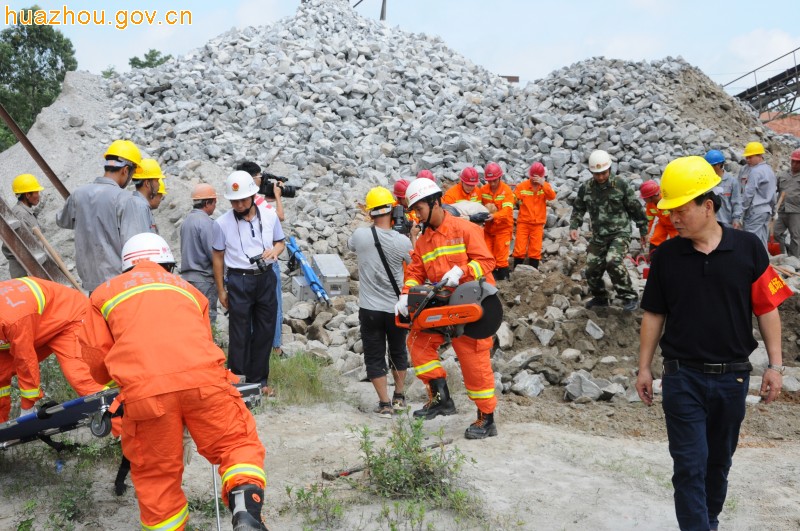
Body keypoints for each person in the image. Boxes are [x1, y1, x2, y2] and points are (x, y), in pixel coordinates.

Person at [636, 156, 791, 531]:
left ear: (708, 206)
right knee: (689, 464)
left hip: (732, 378)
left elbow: (767, 308)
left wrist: (775, 365)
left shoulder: (748, 248)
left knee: (718, 463)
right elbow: (654, 314)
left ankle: (709, 521)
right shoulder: (666, 257)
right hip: (681, 377)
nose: (673, 218)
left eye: (681, 210)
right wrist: (644, 366)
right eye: (669, 211)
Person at [80, 233, 268, 531]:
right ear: (168, 264)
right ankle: (245, 510)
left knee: (157, 477)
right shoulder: (190, 290)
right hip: (205, 383)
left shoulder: (103, 294)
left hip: (146, 395)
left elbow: (97, 363)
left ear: (127, 268)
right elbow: (202, 341)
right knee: (236, 444)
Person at [395, 178, 498, 439]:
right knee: (417, 341)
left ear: (435, 203)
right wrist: (405, 296)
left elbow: (487, 261)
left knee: (474, 360)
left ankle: (486, 418)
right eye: (413, 211)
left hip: (471, 306)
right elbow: (415, 271)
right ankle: (441, 400)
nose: (416, 216)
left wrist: (462, 272)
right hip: (443, 304)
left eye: (419, 210)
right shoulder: (424, 241)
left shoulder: (464, 229)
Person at [212, 171, 285, 395]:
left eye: (243, 199)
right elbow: (218, 257)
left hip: (265, 278)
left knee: (264, 330)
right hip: (239, 279)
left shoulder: (269, 215)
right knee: (239, 332)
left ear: (253, 196)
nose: (239, 204)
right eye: (234, 201)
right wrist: (221, 290)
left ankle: (260, 382)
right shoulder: (222, 223)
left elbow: (280, 242)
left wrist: (274, 252)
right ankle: (237, 381)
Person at [0, 277, 104, 422]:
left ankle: (120, 422)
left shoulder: (12, 320)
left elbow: (25, 361)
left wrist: (27, 407)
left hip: (68, 318)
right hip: (37, 327)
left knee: (81, 377)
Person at [348, 187, 413, 417]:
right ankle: (400, 396)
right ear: (393, 210)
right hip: (395, 308)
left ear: (370, 213)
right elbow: (415, 261)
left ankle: (384, 404)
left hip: (369, 309)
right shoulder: (402, 241)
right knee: (398, 351)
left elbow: (351, 246)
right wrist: (409, 233)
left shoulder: (360, 236)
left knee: (374, 355)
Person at [56, 139, 150, 292]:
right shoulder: (125, 200)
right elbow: (134, 246)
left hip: (90, 284)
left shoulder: (78, 194)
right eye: (132, 174)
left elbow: (62, 220)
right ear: (125, 170)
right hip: (118, 287)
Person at [569, 149, 647, 311]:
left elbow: (635, 207)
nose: (601, 177)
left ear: (610, 169)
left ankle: (629, 296)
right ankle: (600, 297)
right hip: (599, 235)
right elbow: (578, 208)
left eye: (604, 173)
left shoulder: (621, 184)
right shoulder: (587, 188)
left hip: (620, 233)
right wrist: (574, 226)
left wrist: (643, 229)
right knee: (591, 267)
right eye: (597, 174)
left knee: (613, 261)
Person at [237, 161, 285, 356]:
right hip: (267, 261)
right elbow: (279, 216)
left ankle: (253, 346)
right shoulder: (256, 200)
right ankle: (276, 348)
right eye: (259, 176)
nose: (262, 179)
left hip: (245, 266)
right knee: (274, 305)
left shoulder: (242, 201)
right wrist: (279, 198)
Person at [180, 183, 220, 326]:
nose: (215, 206)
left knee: (191, 320)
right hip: (204, 280)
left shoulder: (186, 222)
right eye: (214, 202)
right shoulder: (206, 223)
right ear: (207, 203)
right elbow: (215, 255)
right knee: (206, 320)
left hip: (187, 279)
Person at [512, 162, 555, 270]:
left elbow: (552, 197)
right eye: (533, 177)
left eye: (537, 177)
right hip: (524, 222)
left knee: (535, 250)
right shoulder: (522, 186)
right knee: (519, 249)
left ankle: (533, 272)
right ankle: (517, 270)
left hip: (537, 224)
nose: (534, 180)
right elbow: (512, 199)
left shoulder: (544, 187)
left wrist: (543, 184)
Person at [2, 174, 44, 278]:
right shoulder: (20, 214)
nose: (39, 195)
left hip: (29, 264)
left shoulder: (26, 211)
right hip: (24, 266)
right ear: (27, 195)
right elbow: (23, 246)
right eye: (36, 192)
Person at [478, 162, 515, 280]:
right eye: (490, 181)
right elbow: (478, 205)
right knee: (487, 254)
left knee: (501, 257)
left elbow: (507, 211)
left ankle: (504, 279)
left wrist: (495, 216)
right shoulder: (483, 190)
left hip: (503, 229)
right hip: (488, 229)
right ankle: (491, 278)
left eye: (495, 180)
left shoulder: (507, 191)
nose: (492, 183)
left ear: (500, 177)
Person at [740, 141, 777, 248]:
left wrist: (741, 211)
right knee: (761, 241)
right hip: (766, 212)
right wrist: (774, 211)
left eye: (750, 157)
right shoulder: (769, 170)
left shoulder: (755, 172)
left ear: (759, 156)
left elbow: (748, 194)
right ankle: (764, 263)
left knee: (750, 241)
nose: (747, 160)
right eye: (747, 157)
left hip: (755, 212)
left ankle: (753, 264)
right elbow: (773, 195)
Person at [704, 150, 743, 228]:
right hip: (708, 224)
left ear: (718, 165)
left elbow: (737, 202)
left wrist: (736, 219)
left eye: (710, 166)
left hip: (726, 224)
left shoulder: (732, 181)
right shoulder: (705, 181)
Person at [772, 148, 800, 257]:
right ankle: (782, 255)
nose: (794, 164)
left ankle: (794, 259)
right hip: (781, 210)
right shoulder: (782, 175)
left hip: (796, 211)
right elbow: (775, 189)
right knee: (776, 233)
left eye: (798, 162)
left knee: (796, 237)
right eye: (793, 161)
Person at [639, 180, 678, 255]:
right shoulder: (650, 205)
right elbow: (649, 220)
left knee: (678, 242)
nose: (643, 199)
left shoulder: (668, 200)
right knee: (655, 239)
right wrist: (645, 234)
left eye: (645, 198)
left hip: (675, 226)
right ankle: (653, 258)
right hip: (663, 224)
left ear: (651, 197)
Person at [130, 158, 163, 234]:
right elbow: (145, 241)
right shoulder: (141, 207)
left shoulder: (136, 203)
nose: (159, 184)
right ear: (147, 183)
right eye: (157, 180)